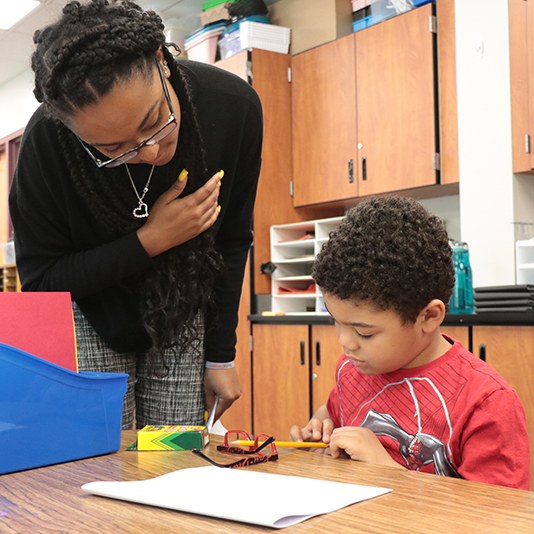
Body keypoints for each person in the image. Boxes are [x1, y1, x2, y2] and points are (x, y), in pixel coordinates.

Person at [9, 0, 263, 429]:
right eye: (113, 150)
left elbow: (232, 240)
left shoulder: (232, 107)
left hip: (182, 308)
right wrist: (151, 239)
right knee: (97, 463)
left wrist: (221, 354)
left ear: (162, 62)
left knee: (174, 461)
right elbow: (42, 284)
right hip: (88, 314)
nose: (149, 151)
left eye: (154, 121)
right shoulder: (46, 141)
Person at [290, 196, 530, 490]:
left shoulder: (486, 403)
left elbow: (497, 516)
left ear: (428, 316)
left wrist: (387, 470)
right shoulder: (353, 371)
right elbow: (332, 413)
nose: (345, 342)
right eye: (335, 321)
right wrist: (319, 428)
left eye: (364, 332)